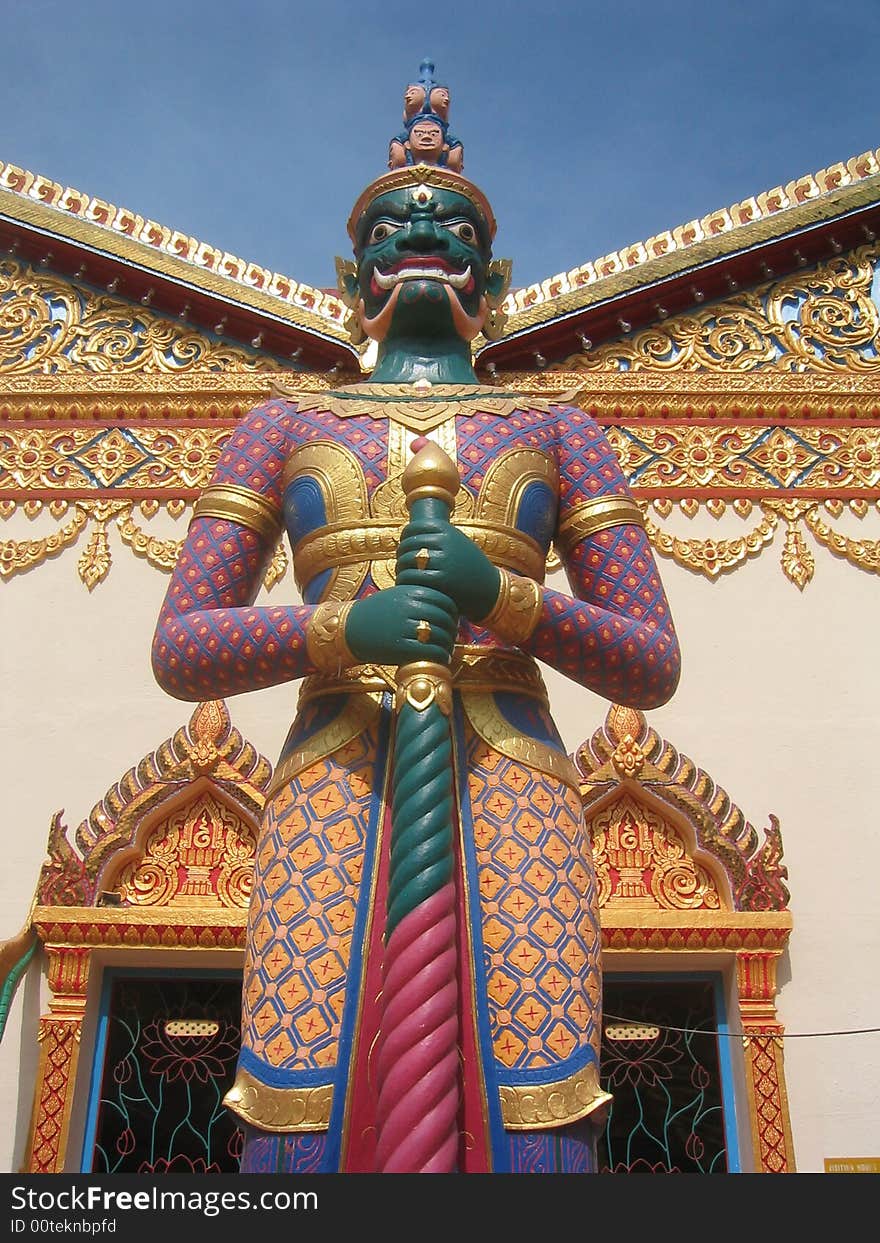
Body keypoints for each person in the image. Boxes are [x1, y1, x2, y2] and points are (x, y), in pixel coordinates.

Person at [152, 77, 680, 1174]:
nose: (426, 235)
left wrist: (504, 600)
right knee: (305, 1079)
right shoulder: (281, 426)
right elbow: (181, 643)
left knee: (534, 1083)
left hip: (512, 778)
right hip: (333, 777)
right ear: (355, 277)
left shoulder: (558, 426)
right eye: (395, 227)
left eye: (455, 228)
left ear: (493, 277)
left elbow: (651, 658)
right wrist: (347, 625)